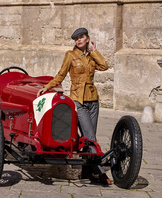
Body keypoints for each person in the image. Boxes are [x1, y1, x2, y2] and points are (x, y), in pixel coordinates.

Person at [37, 27, 111, 184]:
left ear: (87, 39)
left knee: (87, 138)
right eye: (76, 38)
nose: (78, 40)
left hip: (93, 100)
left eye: (81, 37)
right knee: (91, 137)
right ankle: (100, 173)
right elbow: (61, 74)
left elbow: (104, 66)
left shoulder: (91, 57)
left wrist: (94, 51)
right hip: (78, 100)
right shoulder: (70, 55)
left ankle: (86, 172)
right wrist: (48, 87)